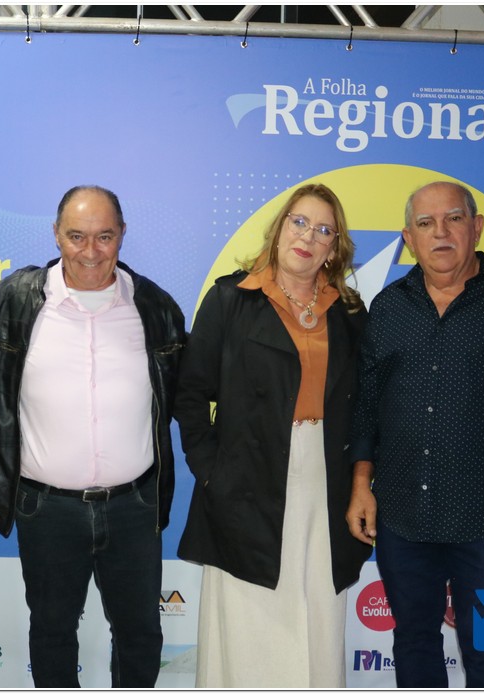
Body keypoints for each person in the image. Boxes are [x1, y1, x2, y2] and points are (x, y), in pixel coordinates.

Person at [345, 180, 484, 688]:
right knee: (414, 643)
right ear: (408, 238)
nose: (440, 233)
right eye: (425, 223)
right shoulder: (388, 308)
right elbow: (367, 408)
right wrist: (360, 484)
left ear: (477, 227)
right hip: (403, 520)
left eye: (453, 219)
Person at [0, 185, 186, 688]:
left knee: (140, 634)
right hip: (45, 509)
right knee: (51, 632)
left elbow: (187, 393)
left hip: (134, 507)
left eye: (104, 236)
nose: (90, 251)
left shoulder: (155, 307)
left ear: (122, 235)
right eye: (76, 236)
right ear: (56, 234)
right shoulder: (14, 301)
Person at [175, 183, 373, 688]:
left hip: (325, 482)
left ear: (335, 248)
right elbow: (190, 395)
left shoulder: (350, 314)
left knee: (317, 613)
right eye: (299, 222)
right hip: (244, 480)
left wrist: (360, 482)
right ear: (280, 227)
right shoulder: (231, 299)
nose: (308, 237)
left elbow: (366, 407)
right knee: (250, 623)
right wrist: (212, 472)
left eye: (324, 230)